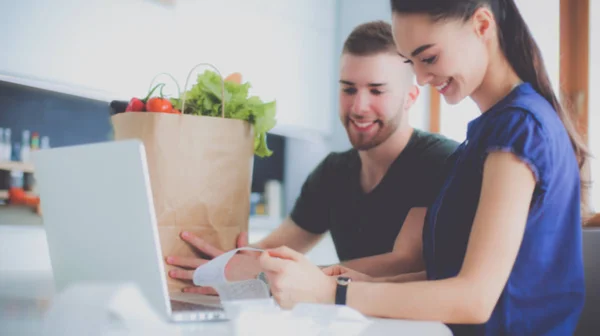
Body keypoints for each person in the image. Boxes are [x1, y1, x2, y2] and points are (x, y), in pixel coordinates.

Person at [258, 1, 588, 335]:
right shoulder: (487, 134)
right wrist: (360, 280)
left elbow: (475, 299)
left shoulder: (518, 128)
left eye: (428, 57)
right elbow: (449, 275)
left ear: (482, 25)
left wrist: (333, 292)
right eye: (411, 62)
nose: (420, 77)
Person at [166, 20, 459, 292]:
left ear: (410, 97)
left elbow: (405, 260)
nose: (358, 106)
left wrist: (271, 274)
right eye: (348, 89)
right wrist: (219, 263)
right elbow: (270, 248)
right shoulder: (333, 172)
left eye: (376, 91)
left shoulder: (437, 160)